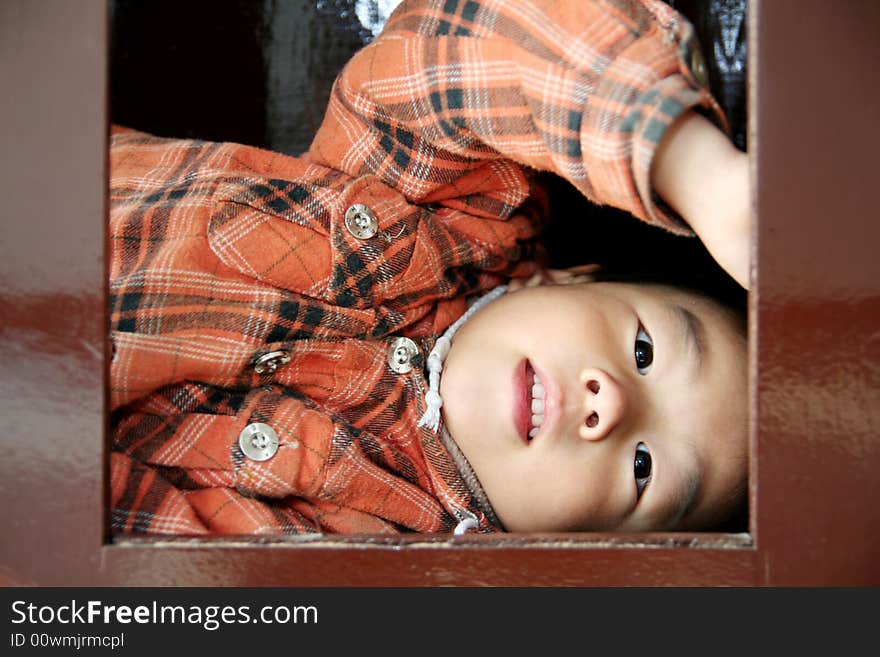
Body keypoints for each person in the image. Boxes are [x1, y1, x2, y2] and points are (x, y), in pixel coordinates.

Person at [109, 0, 749, 536]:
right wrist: (701, 177)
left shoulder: (376, 562)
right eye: (644, 349)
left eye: (644, 469)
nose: (608, 404)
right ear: (574, 278)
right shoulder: (461, 215)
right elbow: (468, 41)